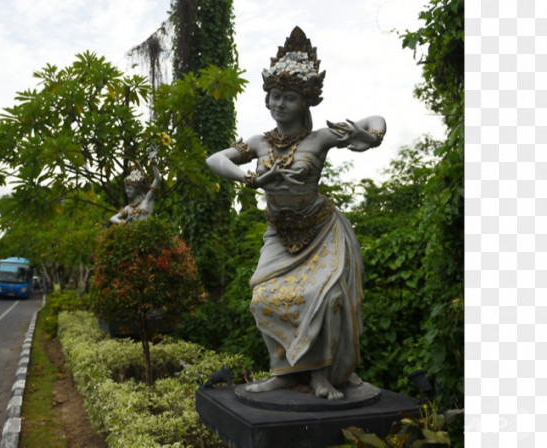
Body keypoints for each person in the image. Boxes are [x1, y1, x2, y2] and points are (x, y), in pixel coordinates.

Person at [206, 27, 386, 400]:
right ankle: (284, 373)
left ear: (306, 102)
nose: (279, 104)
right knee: (263, 298)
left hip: (321, 230)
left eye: (289, 97)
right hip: (279, 233)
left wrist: (369, 136)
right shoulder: (259, 143)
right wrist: (250, 178)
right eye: (274, 96)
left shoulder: (318, 139)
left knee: (327, 298)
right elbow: (215, 159)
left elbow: (375, 121)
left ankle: (320, 376)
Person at [109, 156, 162, 226]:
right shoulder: (128, 208)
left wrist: (153, 162)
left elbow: (157, 179)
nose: (127, 191)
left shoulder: (147, 199)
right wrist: (123, 222)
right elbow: (112, 218)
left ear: (138, 189)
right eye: (126, 188)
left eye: (130, 189)